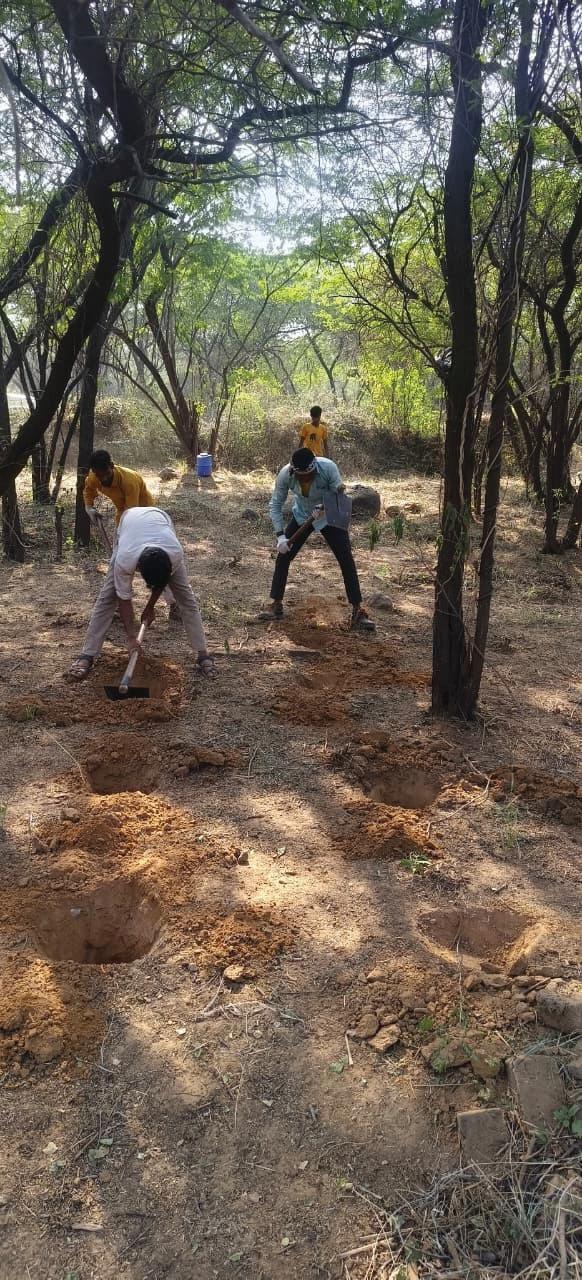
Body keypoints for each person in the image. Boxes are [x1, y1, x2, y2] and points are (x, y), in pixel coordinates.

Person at [68, 506, 215, 680]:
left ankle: (203, 654)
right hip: (129, 521)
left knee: (186, 598)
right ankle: (87, 654)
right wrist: (132, 637)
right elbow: (124, 599)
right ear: (138, 568)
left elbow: (162, 580)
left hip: (160, 519)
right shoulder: (125, 560)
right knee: (107, 597)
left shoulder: (174, 554)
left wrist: (150, 607)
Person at [260, 447, 374, 631]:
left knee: (346, 558)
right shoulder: (285, 474)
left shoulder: (328, 468)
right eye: (301, 477)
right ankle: (276, 604)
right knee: (283, 557)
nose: (305, 479)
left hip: (328, 516)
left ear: (314, 469)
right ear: (294, 472)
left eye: (308, 475)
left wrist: (325, 505)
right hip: (302, 516)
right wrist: (280, 536)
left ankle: (357, 611)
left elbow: (340, 495)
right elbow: (276, 504)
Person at [83, 450, 154, 526]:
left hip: (144, 509)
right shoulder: (93, 478)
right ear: (93, 471)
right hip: (123, 509)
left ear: (112, 466)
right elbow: (89, 491)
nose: (104, 479)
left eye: (107, 473)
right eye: (99, 476)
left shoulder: (129, 481)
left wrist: (122, 528)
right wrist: (89, 508)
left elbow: (131, 513)